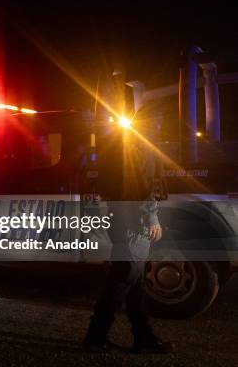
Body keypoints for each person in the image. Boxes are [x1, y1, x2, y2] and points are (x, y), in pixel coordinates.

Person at [83, 113, 174, 353]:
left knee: (133, 281)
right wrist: (152, 216)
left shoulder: (117, 146)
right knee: (123, 277)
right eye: (157, 123)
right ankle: (96, 336)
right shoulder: (139, 147)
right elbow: (143, 185)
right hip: (135, 221)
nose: (159, 126)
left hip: (120, 217)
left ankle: (142, 337)